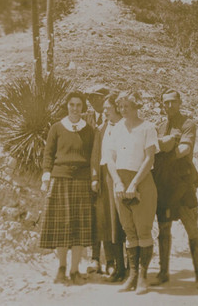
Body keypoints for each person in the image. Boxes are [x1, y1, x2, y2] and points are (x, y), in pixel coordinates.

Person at [151, 89, 198, 289]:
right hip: (164, 184)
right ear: (162, 104)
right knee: (164, 229)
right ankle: (163, 272)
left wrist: (167, 149)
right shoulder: (159, 126)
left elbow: (185, 149)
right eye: (166, 102)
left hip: (183, 184)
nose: (169, 106)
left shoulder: (188, 124)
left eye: (173, 102)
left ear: (180, 102)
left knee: (192, 228)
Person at [40, 91, 96, 285]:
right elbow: (48, 154)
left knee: (79, 228)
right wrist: (46, 177)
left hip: (82, 181)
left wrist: (94, 179)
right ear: (67, 106)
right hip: (60, 179)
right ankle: (62, 268)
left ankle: (74, 270)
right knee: (61, 228)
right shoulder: (56, 128)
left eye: (78, 105)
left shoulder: (89, 130)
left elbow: (93, 157)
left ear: (83, 108)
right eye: (71, 104)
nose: (74, 108)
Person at [107, 91, 158, 295]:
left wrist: (135, 183)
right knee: (129, 230)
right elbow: (110, 158)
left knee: (143, 230)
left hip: (142, 181)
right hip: (120, 182)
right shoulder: (116, 129)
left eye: (126, 105)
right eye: (120, 106)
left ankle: (143, 277)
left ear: (136, 106)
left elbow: (149, 158)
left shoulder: (147, 127)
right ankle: (133, 275)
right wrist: (118, 182)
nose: (122, 109)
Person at [89, 93, 126, 281]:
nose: (104, 112)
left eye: (107, 109)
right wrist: (95, 177)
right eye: (103, 109)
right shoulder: (102, 129)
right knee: (107, 221)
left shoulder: (127, 126)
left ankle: (125, 266)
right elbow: (96, 154)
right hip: (105, 179)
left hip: (122, 177)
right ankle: (111, 262)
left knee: (122, 221)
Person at [83, 85, 111, 273]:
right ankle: (95, 259)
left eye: (96, 98)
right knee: (93, 217)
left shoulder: (114, 119)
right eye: (90, 98)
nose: (92, 102)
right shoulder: (87, 118)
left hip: (109, 172)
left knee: (109, 216)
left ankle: (111, 260)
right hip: (90, 173)